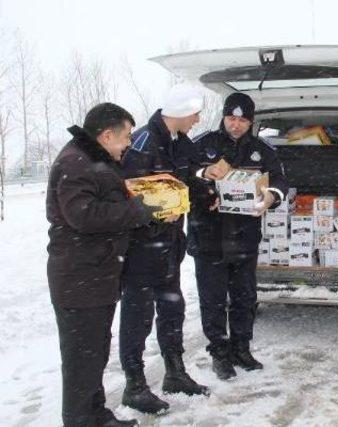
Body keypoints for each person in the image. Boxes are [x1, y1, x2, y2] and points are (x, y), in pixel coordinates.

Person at [46, 103, 157, 426]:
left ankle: (97, 415)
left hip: (95, 275)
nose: (128, 144)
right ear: (107, 135)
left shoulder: (92, 159)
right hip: (80, 278)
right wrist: (137, 211)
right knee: (82, 359)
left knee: (94, 353)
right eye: (126, 137)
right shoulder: (75, 163)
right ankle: (81, 419)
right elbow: (83, 216)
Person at [118, 84, 211, 414]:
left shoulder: (181, 143)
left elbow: (189, 181)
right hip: (142, 247)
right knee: (137, 316)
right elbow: (127, 195)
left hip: (170, 243)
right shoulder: (142, 143)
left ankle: (175, 372)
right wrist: (155, 213)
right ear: (182, 112)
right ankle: (134, 385)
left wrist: (207, 189)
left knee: (172, 309)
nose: (198, 119)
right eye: (196, 113)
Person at [187, 92, 288, 380]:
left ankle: (241, 348)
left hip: (244, 237)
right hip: (209, 237)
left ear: (251, 121)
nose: (236, 125)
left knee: (245, 297)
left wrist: (272, 196)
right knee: (213, 300)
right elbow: (183, 174)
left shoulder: (262, 149)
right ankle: (219, 353)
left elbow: (279, 180)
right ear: (223, 116)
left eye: (243, 120)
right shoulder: (202, 144)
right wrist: (205, 176)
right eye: (231, 118)